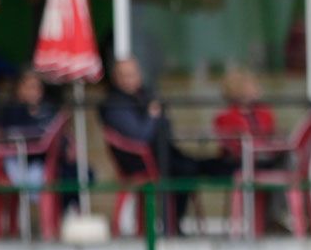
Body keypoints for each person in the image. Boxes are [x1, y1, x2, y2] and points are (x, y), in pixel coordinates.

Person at [99, 55, 237, 231]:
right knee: (186, 170)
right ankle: (172, 226)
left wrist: (157, 116)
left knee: (202, 165)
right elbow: (141, 136)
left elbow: (166, 128)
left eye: (133, 74)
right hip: (141, 162)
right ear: (116, 78)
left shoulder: (144, 95)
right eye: (125, 75)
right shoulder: (115, 104)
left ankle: (232, 172)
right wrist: (152, 116)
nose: (130, 79)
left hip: (163, 153)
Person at [213, 66, 286, 233]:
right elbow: (233, 145)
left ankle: (274, 216)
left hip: (262, 158)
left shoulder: (263, 112)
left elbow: (269, 134)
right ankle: (272, 218)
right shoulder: (225, 117)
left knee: (287, 162)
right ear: (240, 90)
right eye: (252, 84)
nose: (257, 88)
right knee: (280, 167)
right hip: (239, 162)